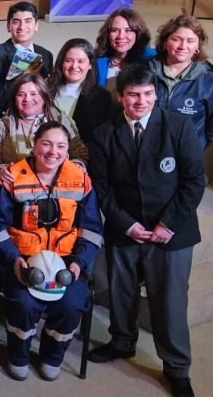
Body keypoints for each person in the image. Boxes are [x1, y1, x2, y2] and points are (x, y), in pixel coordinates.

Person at [88, 65, 205, 397]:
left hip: (172, 231)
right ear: (121, 96)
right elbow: (103, 187)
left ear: (156, 94)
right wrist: (127, 224)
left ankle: (177, 368)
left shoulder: (178, 126)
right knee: (121, 293)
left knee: (169, 302)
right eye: (134, 94)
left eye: (148, 94)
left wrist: (168, 224)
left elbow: (193, 182)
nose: (141, 101)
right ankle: (122, 341)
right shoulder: (104, 133)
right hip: (126, 228)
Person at [0, 121, 103, 381]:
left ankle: (53, 356)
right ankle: (18, 355)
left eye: (61, 146)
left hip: (67, 263)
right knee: (24, 302)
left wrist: (78, 264)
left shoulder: (80, 180)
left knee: (72, 303)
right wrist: (14, 260)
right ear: (34, 145)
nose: (53, 152)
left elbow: (92, 229)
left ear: (68, 150)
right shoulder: (13, 177)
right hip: (23, 260)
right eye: (47, 144)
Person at [0, 74, 87, 185]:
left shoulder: (60, 120)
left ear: (43, 97)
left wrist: (77, 165)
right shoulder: (3, 125)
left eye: (33, 94)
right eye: (21, 94)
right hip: (17, 189)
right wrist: (0, 171)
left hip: (57, 188)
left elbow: (79, 154)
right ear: (14, 99)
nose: (27, 99)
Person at [149, 13, 213, 148]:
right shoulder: (147, 71)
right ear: (165, 42)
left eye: (190, 41)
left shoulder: (209, 79)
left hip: (188, 152)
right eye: (176, 39)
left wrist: (198, 147)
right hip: (149, 148)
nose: (183, 46)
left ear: (198, 46)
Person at [0, 1, 54, 113]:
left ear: (36, 26)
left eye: (28, 21)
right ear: (8, 26)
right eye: (16, 22)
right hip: (6, 118)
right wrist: (21, 75)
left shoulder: (45, 54)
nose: (22, 27)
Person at [48, 38, 113, 143]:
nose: (74, 66)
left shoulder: (101, 96)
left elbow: (103, 136)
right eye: (68, 60)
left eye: (80, 61)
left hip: (84, 155)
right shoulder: (46, 90)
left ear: (90, 64)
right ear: (61, 62)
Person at [94, 8, 156, 92]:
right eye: (114, 30)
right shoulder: (96, 60)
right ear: (107, 34)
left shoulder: (151, 61)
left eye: (128, 30)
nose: (121, 36)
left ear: (138, 34)